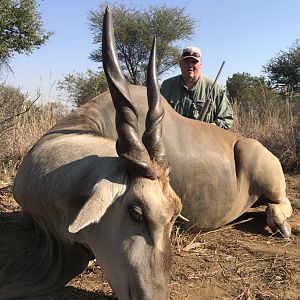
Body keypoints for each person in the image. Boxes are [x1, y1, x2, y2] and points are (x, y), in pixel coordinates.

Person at [160, 46, 233, 129]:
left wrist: (206, 128)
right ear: (180, 64)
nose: (190, 65)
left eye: (194, 62)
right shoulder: (167, 86)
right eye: (186, 61)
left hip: (204, 139)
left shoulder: (215, 87)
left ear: (201, 64)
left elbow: (226, 119)